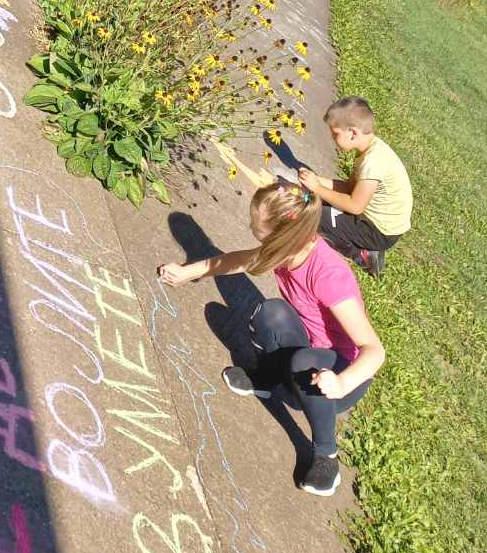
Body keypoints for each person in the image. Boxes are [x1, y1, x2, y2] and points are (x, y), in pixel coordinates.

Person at [158, 180, 386, 496]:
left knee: (303, 360)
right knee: (271, 313)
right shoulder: (289, 248)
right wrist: (190, 271)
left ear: (283, 235)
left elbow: (374, 350)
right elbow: (238, 260)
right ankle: (268, 379)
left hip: (340, 373)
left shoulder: (329, 275)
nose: (253, 231)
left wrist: (342, 382)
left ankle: (326, 456)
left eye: (259, 231)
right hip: (308, 353)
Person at [295, 96, 411, 279]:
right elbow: (349, 189)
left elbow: (355, 206)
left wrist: (317, 188)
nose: (332, 138)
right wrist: (317, 181)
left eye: (335, 134)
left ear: (352, 133)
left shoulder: (373, 162)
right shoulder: (369, 151)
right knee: (315, 199)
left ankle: (364, 254)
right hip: (373, 220)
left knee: (313, 214)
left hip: (378, 232)